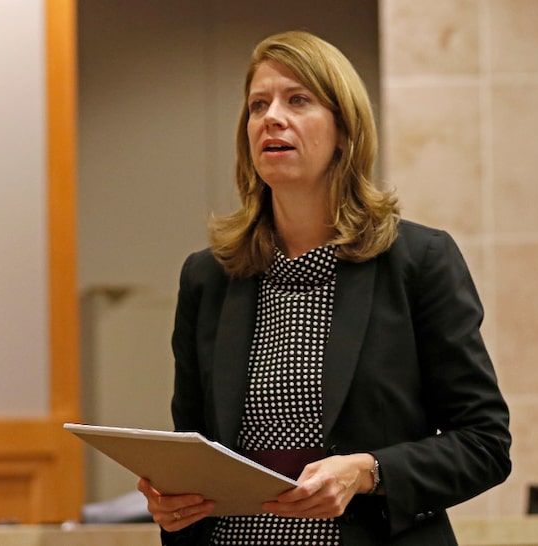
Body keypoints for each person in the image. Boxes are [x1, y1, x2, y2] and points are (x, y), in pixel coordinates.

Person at [137, 30, 511, 545]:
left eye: (298, 100)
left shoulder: (418, 262)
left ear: (344, 131)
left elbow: (484, 443)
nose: (271, 117)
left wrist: (367, 471)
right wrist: (172, 501)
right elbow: (195, 450)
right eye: (258, 105)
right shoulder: (209, 277)